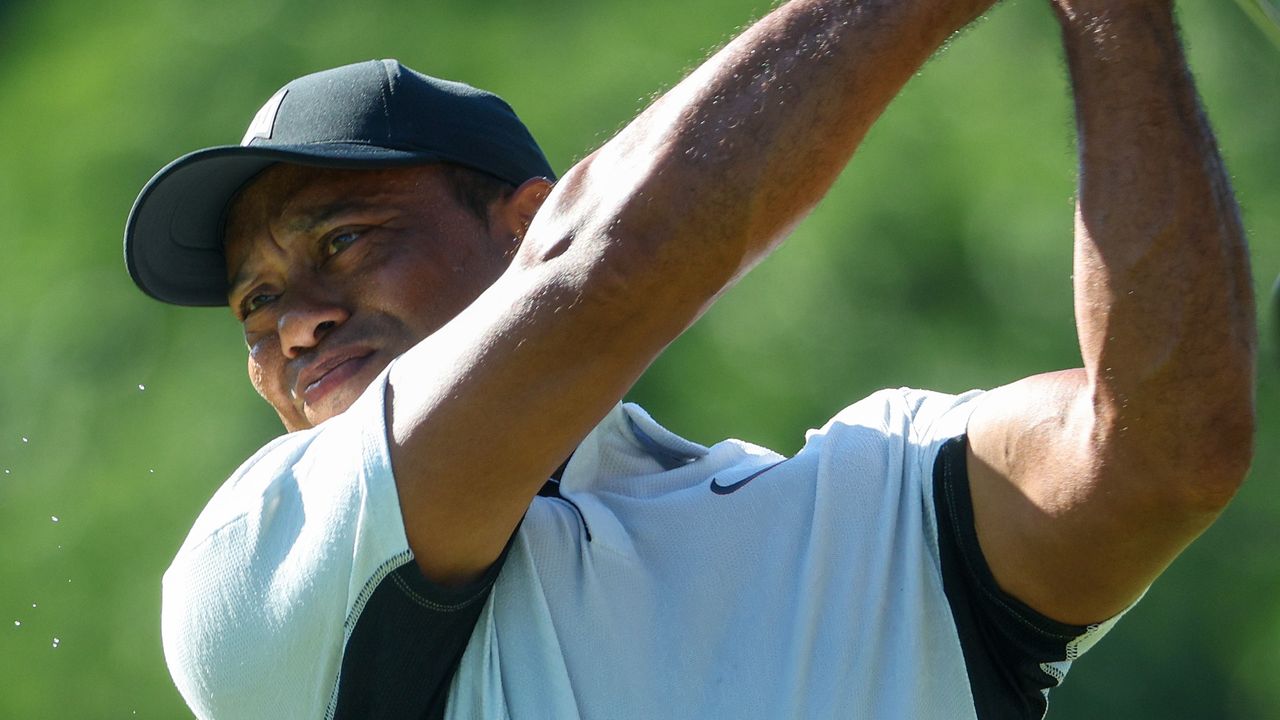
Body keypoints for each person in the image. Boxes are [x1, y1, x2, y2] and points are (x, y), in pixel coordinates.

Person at [124, 0, 1256, 718]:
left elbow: (1161, 449)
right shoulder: (259, 566)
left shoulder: (869, 494)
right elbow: (615, 268)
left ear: (520, 228)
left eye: (343, 241)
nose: (298, 324)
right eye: (257, 303)